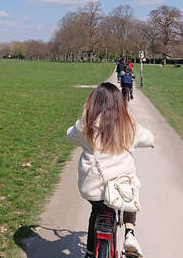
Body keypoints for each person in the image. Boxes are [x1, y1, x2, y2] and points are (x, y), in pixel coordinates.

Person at [66, 83, 155, 258]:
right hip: (120, 188)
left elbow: (70, 137)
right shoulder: (129, 125)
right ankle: (130, 233)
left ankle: (91, 253)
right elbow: (149, 138)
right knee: (129, 194)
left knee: (96, 212)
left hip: (93, 189)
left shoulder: (85, 125)